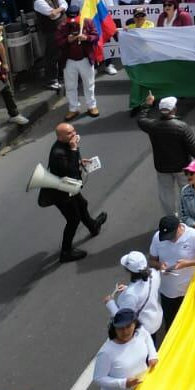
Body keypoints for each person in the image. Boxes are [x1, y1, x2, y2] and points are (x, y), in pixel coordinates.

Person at [40, 121, 107, 262]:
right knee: (73, 219)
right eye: (69, 133)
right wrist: (74, 149)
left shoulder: (67, 145)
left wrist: (79, 161)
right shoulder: (59, 152)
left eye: (74, 130)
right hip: (62, 192)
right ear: (60, 137)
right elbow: (69, 172)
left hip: (69, 186)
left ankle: (93, 226)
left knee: (82, 204)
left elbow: (68, 164)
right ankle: (66, 252)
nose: (74, 134)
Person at [137, 94, 195, 217]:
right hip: (182, 167)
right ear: (174, 109)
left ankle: (171, 218)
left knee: (166, 195)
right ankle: (190, 217)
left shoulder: (152, 125)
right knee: (187, 192)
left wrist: (147, 104)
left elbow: (141, 119)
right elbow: (193, 148)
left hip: (162, 167)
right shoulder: (181, 126)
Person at [92, 308, 156, 390]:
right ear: (114, 329)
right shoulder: (106, 352)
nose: (125, 331)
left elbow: (148, 338)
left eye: (128, 326)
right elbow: (98, 378)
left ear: (135, 324)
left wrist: (153, 355)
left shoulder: (140, 332)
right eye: (120, 328)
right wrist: (124, 383)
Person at [148, 213, 195, 337]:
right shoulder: (157, 238)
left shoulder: (194, 236)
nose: (168, 239)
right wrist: (160, 265)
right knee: (171, 326)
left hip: (188, 291)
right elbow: (151, 260)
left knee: (190, 324)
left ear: (179, 227)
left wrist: (188, 263)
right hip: (167, 293)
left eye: (171, 236)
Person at [106, 250, 164, 337]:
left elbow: (123, 318)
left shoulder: (131, 294)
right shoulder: (154, 274)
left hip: (144, 329)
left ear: (128, 270)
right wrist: (126, 288)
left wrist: (110, 303)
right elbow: (144, 290)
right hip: (155, 318)